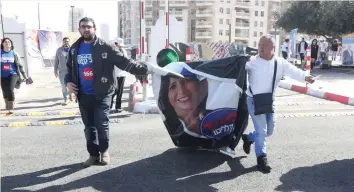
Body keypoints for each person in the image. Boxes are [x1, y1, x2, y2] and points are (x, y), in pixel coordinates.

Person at [65, 17, 149, 167]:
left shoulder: (106, 47)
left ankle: (104, 152)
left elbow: (124, 62)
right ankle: (92, 154)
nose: (86, 29)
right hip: (83, 94)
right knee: (88, 126)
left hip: (103, 93)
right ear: (79, 30)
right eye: (83, 27)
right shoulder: (74, 48)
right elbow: (69, 69)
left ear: (94, 29)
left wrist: (145, 69)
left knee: (101, 123)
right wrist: (68, 82)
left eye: (89, 27)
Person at [241, 35, 315, 173]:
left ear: (273, 48)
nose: (260, 48)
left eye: (264, 45)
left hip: (270, 101)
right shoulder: (250, 61)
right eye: (259, 45)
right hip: (254, 100)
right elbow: (236, 68)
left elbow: (293, 71)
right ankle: (261, 158)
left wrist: (305, 76)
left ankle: (248, 138)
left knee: (269, 131)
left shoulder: (280, 62)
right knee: (262, 130)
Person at [1, 38, 28, 114]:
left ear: (11, 44)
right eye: (5, 42)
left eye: (8, 42)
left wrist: (25, 76)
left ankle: (11, 106)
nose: (7, 43)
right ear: (2, 44)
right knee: (4, 91)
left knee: (10, 89)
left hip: (13, 74)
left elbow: (20, 65)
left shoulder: (14, 54)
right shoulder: (0, 53)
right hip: (2, 76)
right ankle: (7, 104)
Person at [111, 38, 128, 112]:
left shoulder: (124, 51)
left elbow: (126, 61)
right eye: (117, 44)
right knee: (114, 90)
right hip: (115, 74)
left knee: (120, 91)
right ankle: (109, 105)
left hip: (122, 74)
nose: (118, 46)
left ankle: (118, 107)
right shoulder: (112, 52)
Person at [54, 37, 72, 105]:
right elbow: (56, 61)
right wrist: (55, 71)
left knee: (72, 85)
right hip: (62, 71)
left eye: (67, 41)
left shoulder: (72, 49)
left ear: (69, 42)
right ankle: (66, 99)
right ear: (63, 42)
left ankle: (70, 94)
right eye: (65, 41)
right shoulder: (58, 50)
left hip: (71, 71)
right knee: (63, 86)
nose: (66, 42)